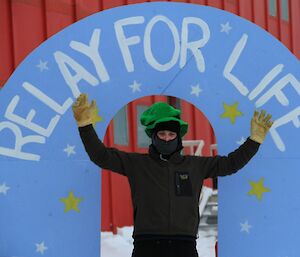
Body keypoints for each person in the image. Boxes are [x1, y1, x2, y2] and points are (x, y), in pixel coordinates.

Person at [72, 93, 273, 257]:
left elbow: (231, 163)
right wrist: (85, 126)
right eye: (162, 134)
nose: (167, 138)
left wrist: (254, 140)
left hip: (184, 246)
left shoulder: (195, 165)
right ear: (153, 136)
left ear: (178, 137)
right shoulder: (136, 164)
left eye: (171, 134)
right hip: (146, 246)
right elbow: (100, 156)